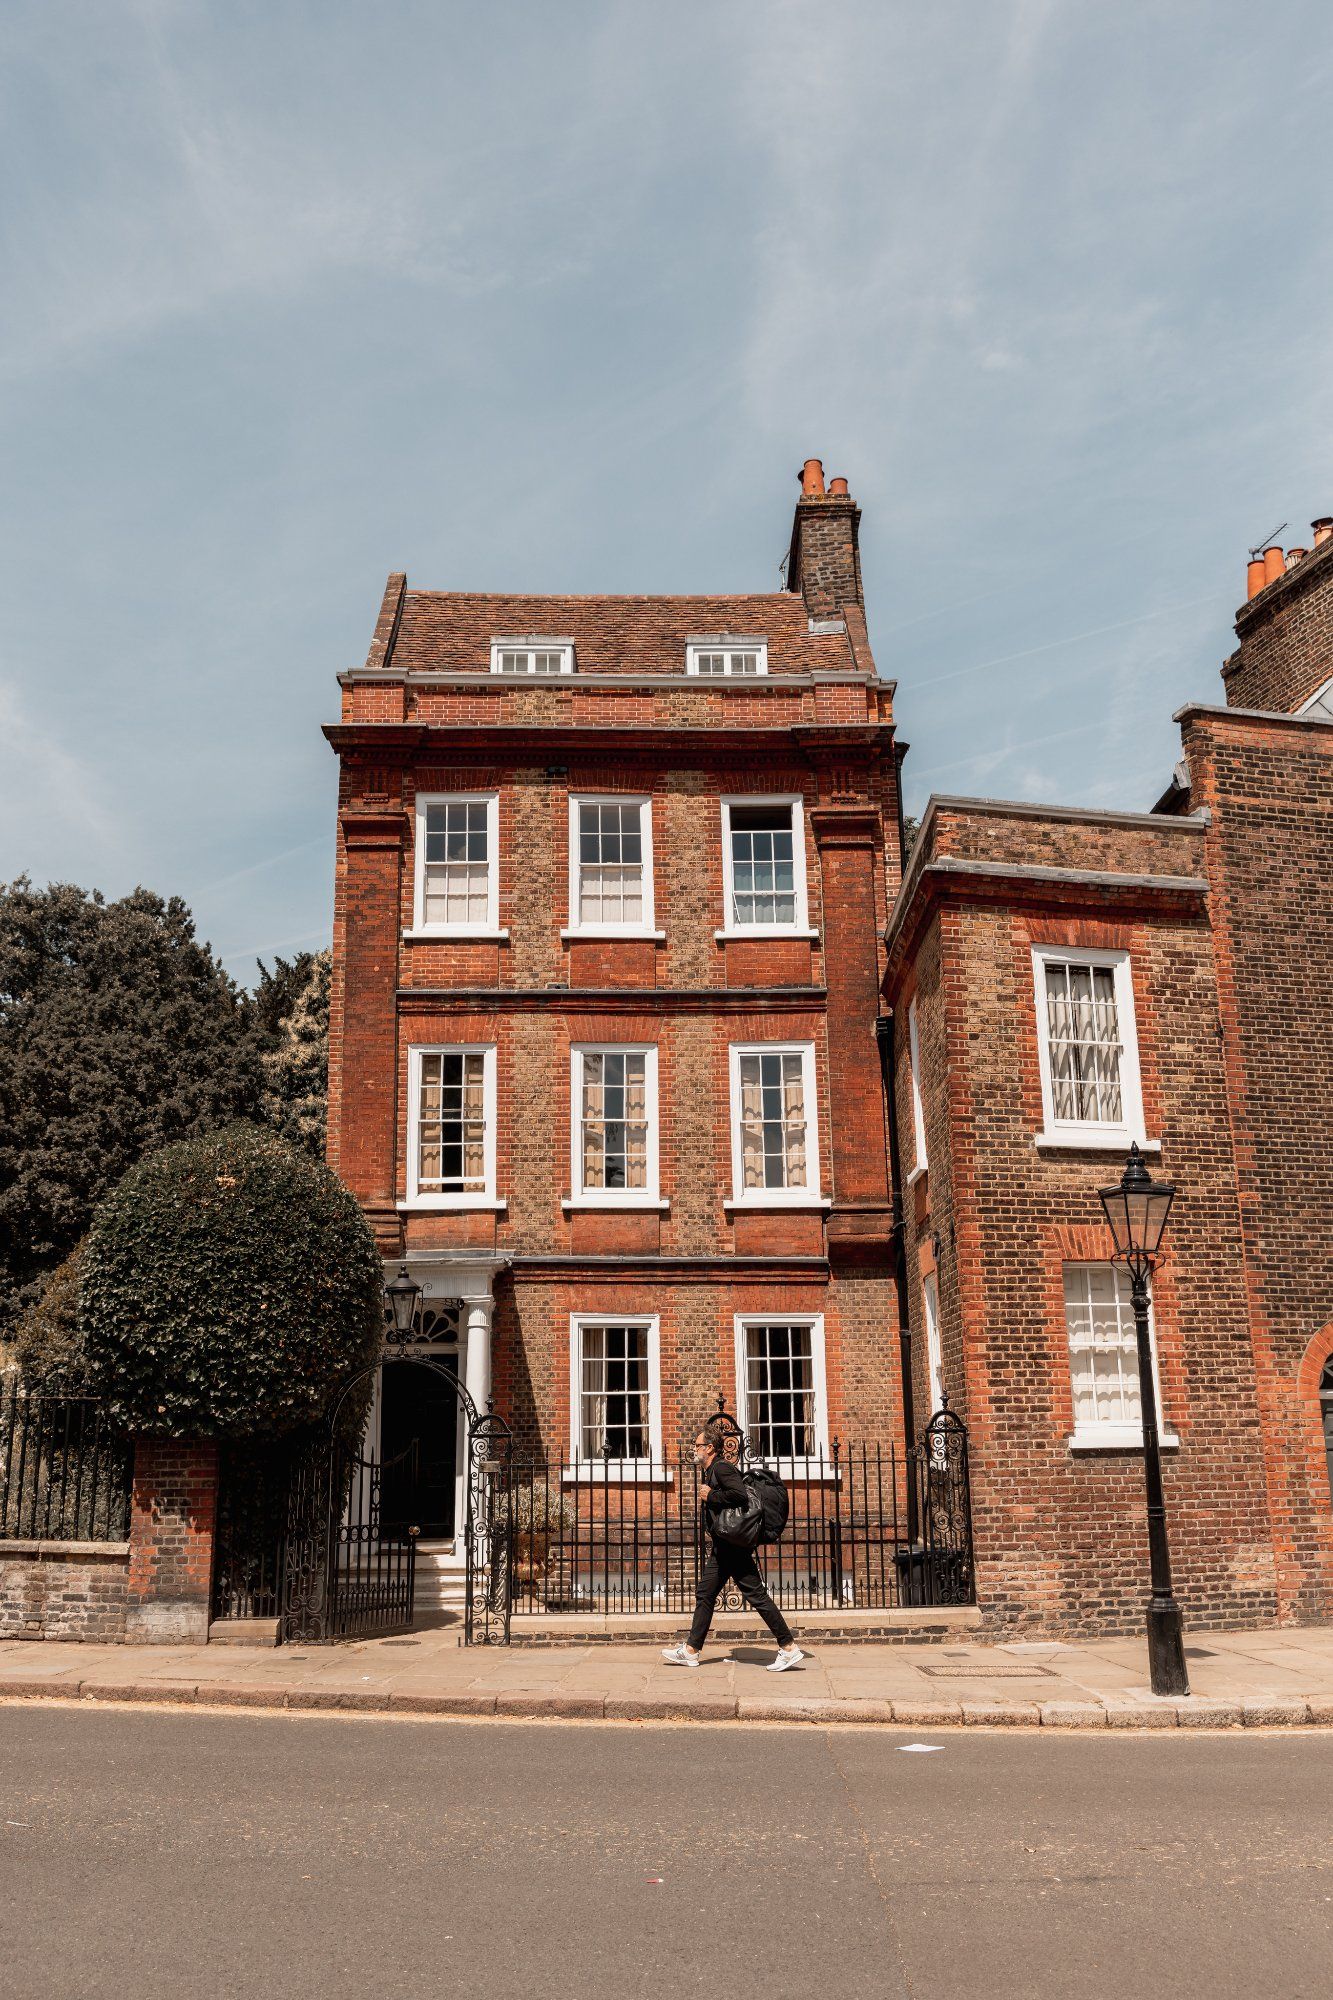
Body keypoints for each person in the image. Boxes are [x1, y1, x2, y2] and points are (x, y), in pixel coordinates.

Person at [662, 1418, 804, 1673]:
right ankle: (691, 1650)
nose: (695, 1449)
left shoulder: (721, 1468)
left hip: (732, 1547)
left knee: (755, 1595)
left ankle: (789, 1647)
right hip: (724, 1546)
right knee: (706, 1594)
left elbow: (739, 1495)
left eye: (698, 1445)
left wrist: (711, 1496)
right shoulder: (712, 1470)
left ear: (710, 1448)